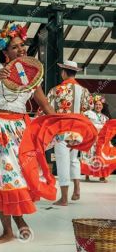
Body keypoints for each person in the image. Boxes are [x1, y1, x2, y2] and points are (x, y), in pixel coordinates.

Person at [0, 24, 55, 244]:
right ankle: (11, 228)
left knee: (17, 177)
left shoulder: (30, 73)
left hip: (19, 131)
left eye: (22, 45)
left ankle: (18, 223)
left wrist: (61, 125)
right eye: (15, 47)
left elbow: (44, 104)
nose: (21, 50)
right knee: (1, 177)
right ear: (4, 51)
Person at [46, 60, 93, 206]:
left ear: (64, 73)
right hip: (78, 131)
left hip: (62, 131)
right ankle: (77, 189)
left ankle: (64, 198)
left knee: (62, 161)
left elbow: (46, 110)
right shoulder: (84, 91)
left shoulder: (56, 90)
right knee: (74, 160)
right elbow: (88, 108)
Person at [81, 94, 110, 183]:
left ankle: (102, 176)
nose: (98, 106)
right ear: (93, 105)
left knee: (100, 156)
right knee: (89, 156)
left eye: (100, 105)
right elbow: (83, 123)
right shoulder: (88, 113)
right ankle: (87, 174)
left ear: (102, 106)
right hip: (91, 138)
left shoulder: (105, 118)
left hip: (100, 140)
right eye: (96, 104)